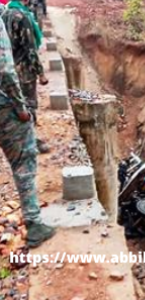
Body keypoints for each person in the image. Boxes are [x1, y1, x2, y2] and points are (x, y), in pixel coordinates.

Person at [0, 16, 54, 247]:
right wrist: (20, 107)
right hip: (4, 107)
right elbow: (4, 69)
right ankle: (34, 224)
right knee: (24, 160)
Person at [2, 0, 49, 153]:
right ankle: (30, 143)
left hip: (9, 68)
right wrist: (40, 72)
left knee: (15, 106)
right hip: (24, 71)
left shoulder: (6, 13)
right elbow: (30, 49)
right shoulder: (22, 17)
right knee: (29, 106)